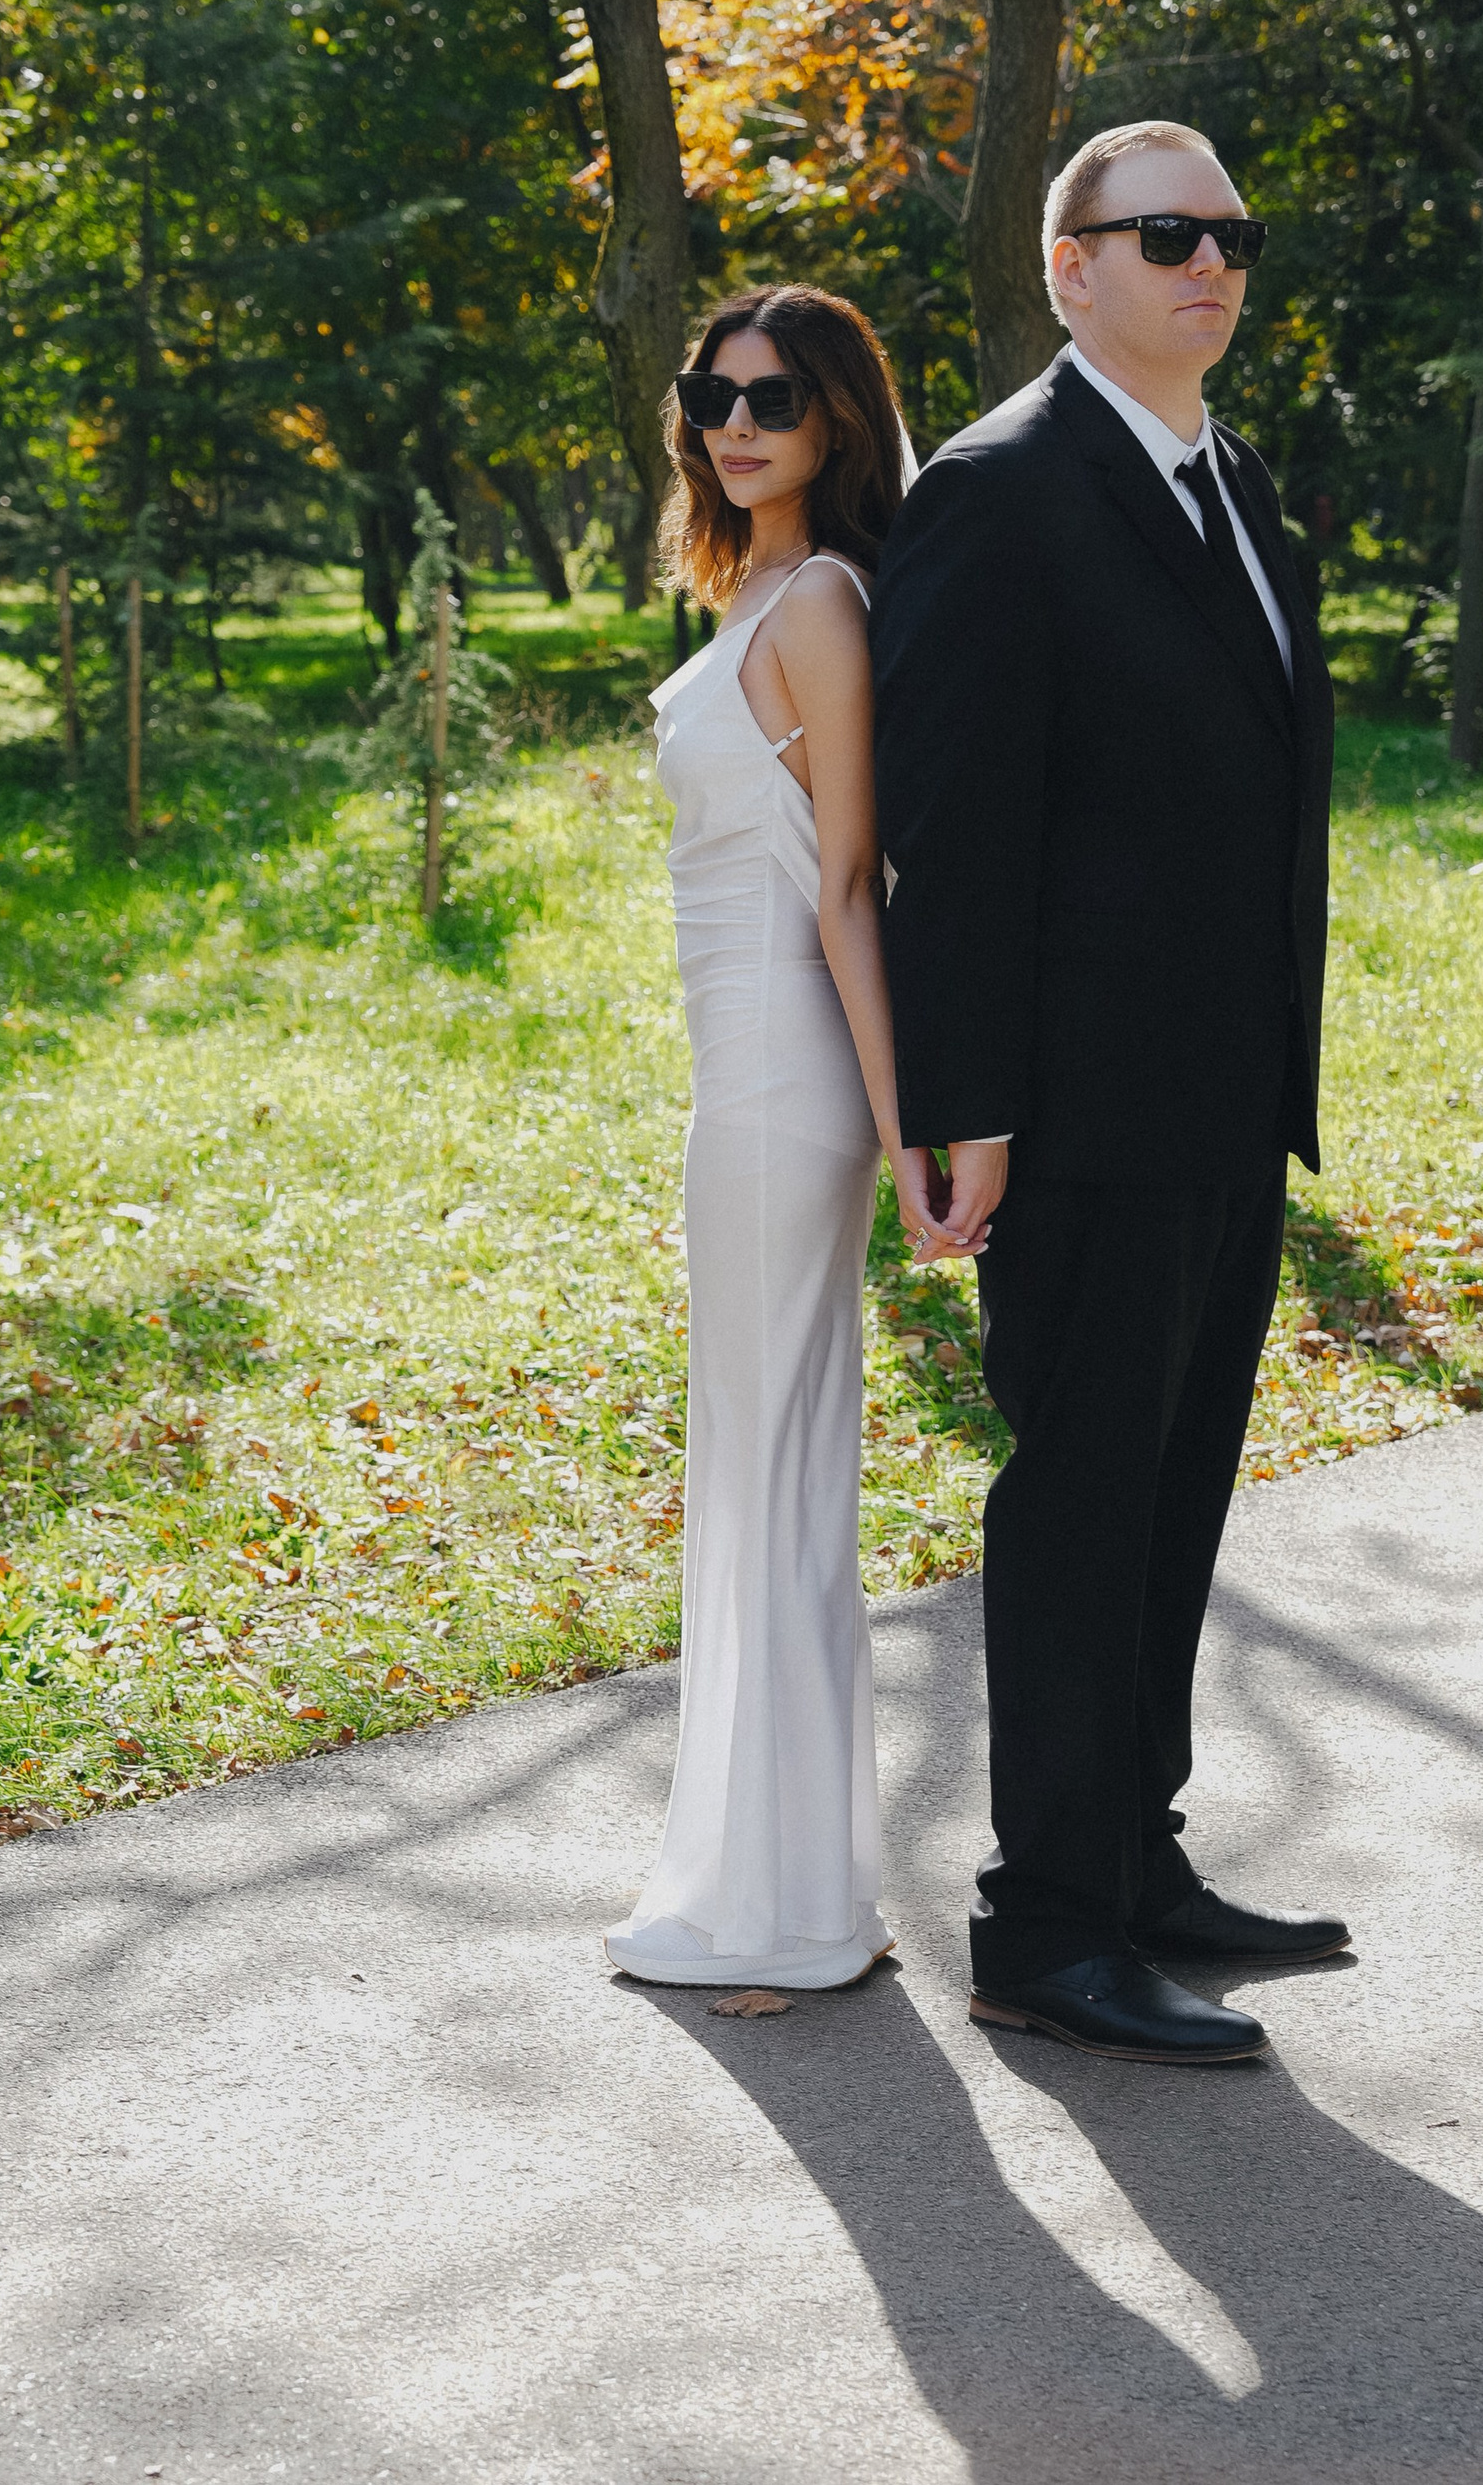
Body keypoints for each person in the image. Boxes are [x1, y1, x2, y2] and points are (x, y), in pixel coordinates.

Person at [871, 121, 1347, 2066]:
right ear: (1069, 267)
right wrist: (962, 1102)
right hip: (1070, 1109)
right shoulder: (1000, 490)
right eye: (1165, 234)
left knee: (1172, 1492)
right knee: (1080, 1503)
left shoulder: (1231, 478)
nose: (1209, 261)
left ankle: (1134, 1862)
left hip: (1222, 1096)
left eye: (1232, 232)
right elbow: (953, 823)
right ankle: (1046, 1923)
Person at [606, 283, 947, 1993]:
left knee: (773, 1480)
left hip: (779, 1085)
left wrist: (911, 1138)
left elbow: (851, 889)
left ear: (837, 421)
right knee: (767, 1473)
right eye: (713, 393)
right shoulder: (760, 587)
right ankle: (788, 1885)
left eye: (774, 399)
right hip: (744, 1080)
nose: (735, 424)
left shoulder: (818, 602)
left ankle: (787, 1906)